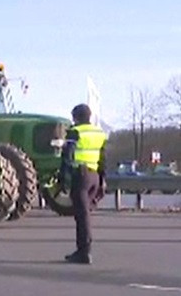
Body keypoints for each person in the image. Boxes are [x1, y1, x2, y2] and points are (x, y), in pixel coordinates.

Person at [59, 103, 108, 264]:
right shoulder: (99, 133)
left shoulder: (75, 132)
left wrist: (63, 180)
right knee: (85, 213)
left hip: (80, 175)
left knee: (82, 215)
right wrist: (102, 180)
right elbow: (103, 158)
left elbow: (67, 157)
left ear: (76, 117)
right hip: (94, 176)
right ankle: (83, 250)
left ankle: (84, 252)